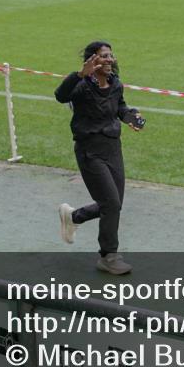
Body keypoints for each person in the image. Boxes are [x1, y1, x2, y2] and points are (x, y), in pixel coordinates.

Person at [54, 41, 143, 275]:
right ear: (92, 60)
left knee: (113, 205)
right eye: (104, 56)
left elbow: (120, 108)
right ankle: (108, 256)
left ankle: (74, 217)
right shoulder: (82, 86)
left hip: (113, 149)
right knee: (111, 204)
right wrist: (79, 74)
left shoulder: (116, 84)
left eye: (111, 55)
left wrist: (130, 117)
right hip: (89, 151)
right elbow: (60, 96)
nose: (109, 59)